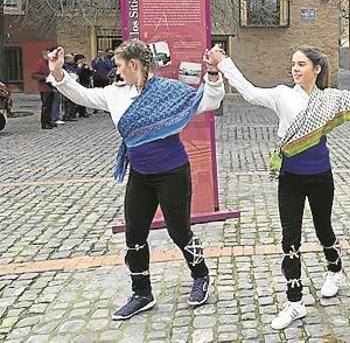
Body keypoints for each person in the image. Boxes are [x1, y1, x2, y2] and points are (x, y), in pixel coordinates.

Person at [47, 41, 224, 320]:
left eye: (119, 65)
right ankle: (142, 292)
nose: (116, 71)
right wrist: (58, 73)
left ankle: (200, 275)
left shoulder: (168, 91)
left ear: (134, 65)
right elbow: (81, 94)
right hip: (140, 175)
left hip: (173, 173)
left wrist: (213, 73)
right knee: (134, 235)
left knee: (179, 232)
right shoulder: (115, 94)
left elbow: (209, 100)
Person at [209, 45, 350, 329]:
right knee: (290, 238)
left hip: (321, 175)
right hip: (291, 177)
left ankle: (334, 270)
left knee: (324, 228)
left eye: (301, 64)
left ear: (317, 68)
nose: (296, 69)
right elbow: (249, 92)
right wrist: (224, 62)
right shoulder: (282, 95)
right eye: (293, 64)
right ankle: (295, 301)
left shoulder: (330, 99)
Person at [30, 49, 56, 129]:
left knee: (50, 106)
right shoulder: (40, 63)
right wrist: (45, 78)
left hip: (51, 87)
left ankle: (49, 121)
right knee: (46, 106)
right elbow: (34, 75)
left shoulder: (50, 63)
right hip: (44, 88)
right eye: (49, 54)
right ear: (45, 55)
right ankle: (44, 123)